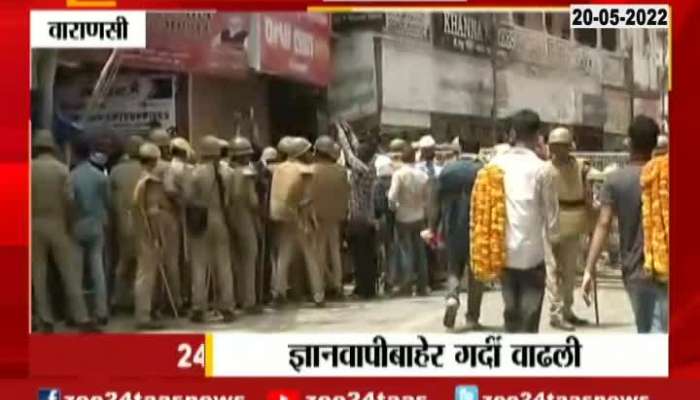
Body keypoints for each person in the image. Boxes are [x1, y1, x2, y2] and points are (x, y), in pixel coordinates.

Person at [581, 116, 667, 333]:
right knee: (659, 328)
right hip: (666, 266)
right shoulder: (665, 177)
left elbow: (603, 224)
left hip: (634, 271)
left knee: (647, 327)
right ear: (656, 142)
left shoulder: (616, 180)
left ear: (628, 142)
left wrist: (589, 269)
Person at [490, 109, 560, 333]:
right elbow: (552, 217)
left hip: (503, 253)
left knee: (511, 314)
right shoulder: (542, 169)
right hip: (533, 255)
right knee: (529, 322)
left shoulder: (494, 165)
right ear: (537, 136)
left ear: (512, 134)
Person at [31, 130, 98, 333]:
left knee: (38, 274)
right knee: (69, 272)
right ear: (52, 147)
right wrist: (70, 223)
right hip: (58, 223)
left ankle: (45, 319)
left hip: (33, 225)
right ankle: (81, 317)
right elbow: (70, 201)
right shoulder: (62, 170)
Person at [434, 137, 484, 330]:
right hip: (477, 227)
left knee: (454, 267)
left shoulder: (447, 170)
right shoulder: (484, 170)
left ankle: (452, 297)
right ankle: (472, 317)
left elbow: (436, 201)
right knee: (476, 272)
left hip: (452, 225)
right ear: (478, 149)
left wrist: (434, 226)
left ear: (460, 149)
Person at [269, 137, 325, 306]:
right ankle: (318, 294)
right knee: (310, 256)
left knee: (284, 255)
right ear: (300, 153)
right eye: (308, 151)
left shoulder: (278, 169)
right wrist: (311, 219)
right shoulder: (304, 170)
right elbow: (307, 198)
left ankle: (278, 292)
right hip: (300, 217)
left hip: (281, 216)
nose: (310, 154)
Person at [544, 127, 590, 331]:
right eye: (555, 146)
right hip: (551, 224)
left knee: (569, 272)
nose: (557, 150)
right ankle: (556, 313)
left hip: (573, 223)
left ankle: (567, 310)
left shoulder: (580, 167)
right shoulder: (544, 169)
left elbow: (589, 193)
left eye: (562, 146)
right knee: (552, 271)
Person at [187, 135, 236, 323]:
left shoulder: (195, 173)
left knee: (199, 265)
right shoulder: (228, 172)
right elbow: (232, 197)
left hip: (201, 219)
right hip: (220, 217)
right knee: (224, 264)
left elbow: (189, 197)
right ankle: (228, 307)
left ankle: (199, 307)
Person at [335, 121, 378, 299]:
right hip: (368, 219)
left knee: (361, 258)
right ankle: (369, 289)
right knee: (368, 256)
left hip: (358, 219)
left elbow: (349, 154)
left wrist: (341, 134)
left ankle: (363, 289)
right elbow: (354, 150)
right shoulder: (370, 168)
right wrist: (349, 131)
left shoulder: (361, 170)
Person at [70, 139, 111, 325]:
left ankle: (80, 314)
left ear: (75, 154)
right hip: (96, 225)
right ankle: (101, 311)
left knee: (76, 272)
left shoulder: (71, 176)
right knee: (98, 269)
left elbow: (69, 202)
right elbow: (108, 202)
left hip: (77, 226)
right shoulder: (100, 176)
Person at [132, 142, 172, 330]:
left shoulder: (136, 178)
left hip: (138, 230)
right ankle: (144, 316)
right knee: (146, 275)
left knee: (144, 274)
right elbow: (152, 211)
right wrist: (157, 235)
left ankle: (145, 312)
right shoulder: (150, 182)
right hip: (149, 232)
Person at [147, 129, 183, 314]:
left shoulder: (144, 166)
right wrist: (181, 201)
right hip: (166, 215)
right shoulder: (166, 167)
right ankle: (174, 302)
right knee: (171, 261)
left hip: (148, 216)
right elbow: (170, 189)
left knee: (152, 262)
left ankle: (153, 303)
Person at [310, 136, 350, 299]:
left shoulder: (312, 170)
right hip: (335, 216)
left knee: (319, 253)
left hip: (317, 216)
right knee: (335, 251)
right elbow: (346, 193)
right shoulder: (341, 171)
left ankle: (320, 289)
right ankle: (338, 285)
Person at [388, 144, 430, 296]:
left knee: (406, 252)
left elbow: (392, 197)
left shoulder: (399, 174)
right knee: (420, 252)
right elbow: (427, 198)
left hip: (403, 217)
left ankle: (406, 285)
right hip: (419, 216)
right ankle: (422, 285)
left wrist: (394, 208)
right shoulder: (423, 175)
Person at [110, 134, 145, 311]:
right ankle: (140, 303)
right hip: (143, 223)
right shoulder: (145, 170)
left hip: (122, 223)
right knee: (143, 266)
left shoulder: (116, 171)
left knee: (123, 264)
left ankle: (118, 300)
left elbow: (110, 199)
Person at [227, 136, 261, 313]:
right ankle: (249, 300)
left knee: (234, 260)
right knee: (249, 258)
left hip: (228, 216)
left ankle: (237, 297)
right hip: (245, 216)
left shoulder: (226, 171)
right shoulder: (247, 173)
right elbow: (253, 201)